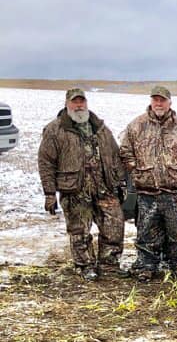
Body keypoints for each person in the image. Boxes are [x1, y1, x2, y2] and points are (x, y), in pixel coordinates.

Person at [37, 88, 127, 281]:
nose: (79, 105)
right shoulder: (55, 129)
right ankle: (85, 266)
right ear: (67, 104)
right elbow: (46, 163)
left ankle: (109, 264)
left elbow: (115, 155)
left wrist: (120, 182)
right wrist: (50, 193)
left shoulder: (100, 127)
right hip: (74, 189)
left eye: (82, 101)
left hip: (103, 187)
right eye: (75, 102)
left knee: (114, 225)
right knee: (79, 231)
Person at [119, 86, 177, 281]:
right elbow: (125, 151)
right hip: (148, 191)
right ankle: (146, 265)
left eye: (162, 100)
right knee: (146, 230)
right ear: (151, 101)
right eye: (155, 99)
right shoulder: (136, 126)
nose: (159, 103)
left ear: (170, 102)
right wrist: (136, 170)